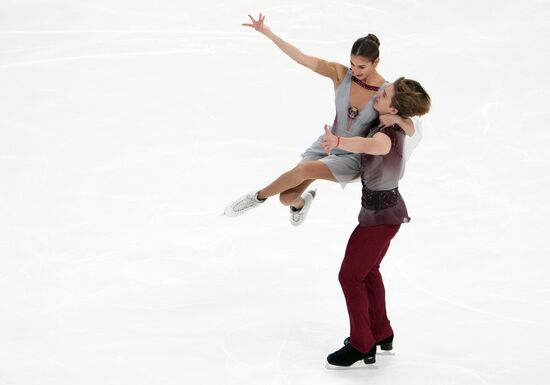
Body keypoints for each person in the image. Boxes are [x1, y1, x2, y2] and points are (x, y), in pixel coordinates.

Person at [224, 13, 415, 226]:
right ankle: (301, 204)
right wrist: (268, 33)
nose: (355, 71)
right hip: (327, 144)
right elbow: (302, 58)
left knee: (303, 170)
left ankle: (256, 198)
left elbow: (411, 127)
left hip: (351, 157)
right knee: (286, 198)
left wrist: (398, 119)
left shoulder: (384, 93)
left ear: (376, 62)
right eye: (352, 63)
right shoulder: (340, 74)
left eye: (361, 66)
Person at [321, 77, 431, 368]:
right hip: (382, 213)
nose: (379, 94)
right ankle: (382, 331)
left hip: (381, 218)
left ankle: (361, 342)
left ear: (394, 109)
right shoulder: (396, 123)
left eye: (385, 93)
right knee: (368, 272)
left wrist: (339, 141)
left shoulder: (387, 135)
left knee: (349, 276)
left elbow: (370, 144)